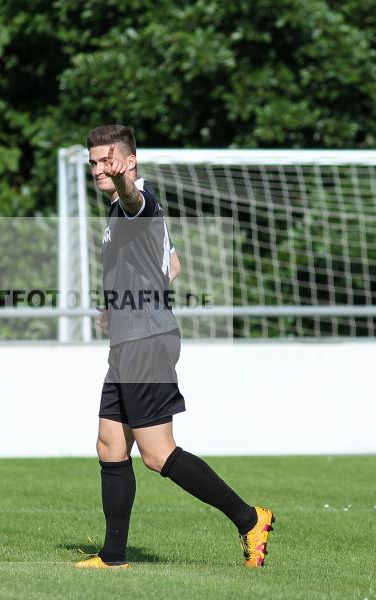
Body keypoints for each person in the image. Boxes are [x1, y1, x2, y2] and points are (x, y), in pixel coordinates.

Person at [77, 124, 274, 570]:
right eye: (93, 162)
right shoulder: (122, 213)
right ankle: (113, 557)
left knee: (157, 452)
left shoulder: (135, 202)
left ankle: (249, 519)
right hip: (131, 336)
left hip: (145, 340)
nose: (98, 169)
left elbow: (134, 200)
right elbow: (174, 265)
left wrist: (125, 184)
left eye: (107, 160)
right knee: (110, 443)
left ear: (129, 161)